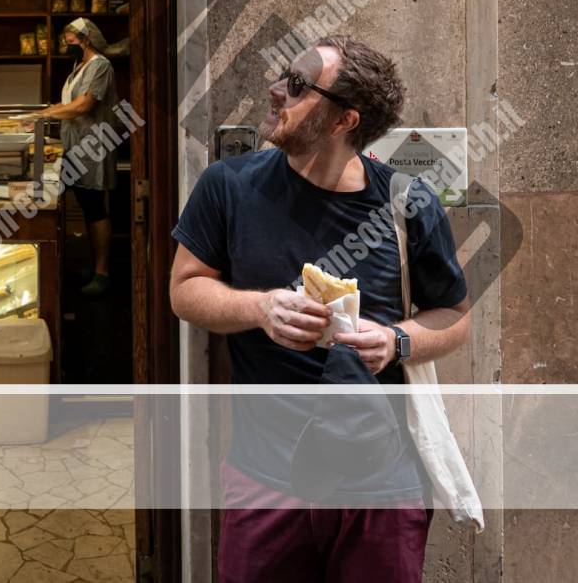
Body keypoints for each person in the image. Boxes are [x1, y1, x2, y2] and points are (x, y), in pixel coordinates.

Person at [168, 36, 471, 583]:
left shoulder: (408, 203)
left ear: (343, 121)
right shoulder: (228, 186)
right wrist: (261, 308)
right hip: (266, 478)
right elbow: (185, 290)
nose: (275, 90)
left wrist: (397, 341)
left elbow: (454, 316)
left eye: (298, 85)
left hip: (382, 484)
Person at [29, 16, 121, 297]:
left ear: (86, 40)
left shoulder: (101, 66)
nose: (67, 47)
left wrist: (43, 115)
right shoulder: (77, 68)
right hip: (73, 146)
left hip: (92, 147)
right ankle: (91, 266)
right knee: (81, 204)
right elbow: (67, 103)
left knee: (95, 207)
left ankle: (103, 273)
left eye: (71, 42)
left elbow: (83, 105)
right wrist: (40, 113)